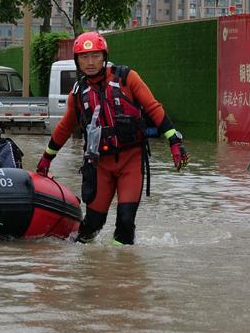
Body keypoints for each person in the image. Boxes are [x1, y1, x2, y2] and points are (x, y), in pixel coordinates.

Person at [35, 31, 189, 245]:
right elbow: (64, 128)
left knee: (125, 222)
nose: (90, 62)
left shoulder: (127, 78)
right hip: (99, 165)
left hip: (131, 160)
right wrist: (46, 159)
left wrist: (175, 142)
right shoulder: (78, 93)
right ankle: (88, 265)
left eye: (95, 56)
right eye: (84, 57)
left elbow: (153, 108)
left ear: (104, 56)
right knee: (92, 225)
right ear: (77, 61)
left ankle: (120, 270)